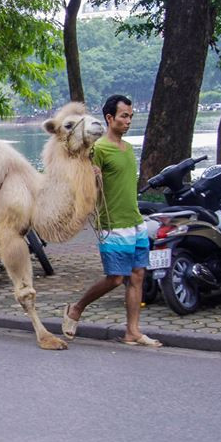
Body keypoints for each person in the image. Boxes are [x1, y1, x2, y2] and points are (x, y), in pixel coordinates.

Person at [62, 94, 162, 347]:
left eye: (130, 116)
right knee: (116, 278)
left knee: (137, 276)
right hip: (112, 223)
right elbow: (84, 185)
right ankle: (76, 308)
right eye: (123, 116)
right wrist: (92, 175)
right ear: (109, 118)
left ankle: (132, 331)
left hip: (135, 221)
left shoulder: (127, 148)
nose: (128, 121)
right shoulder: (98, 150)